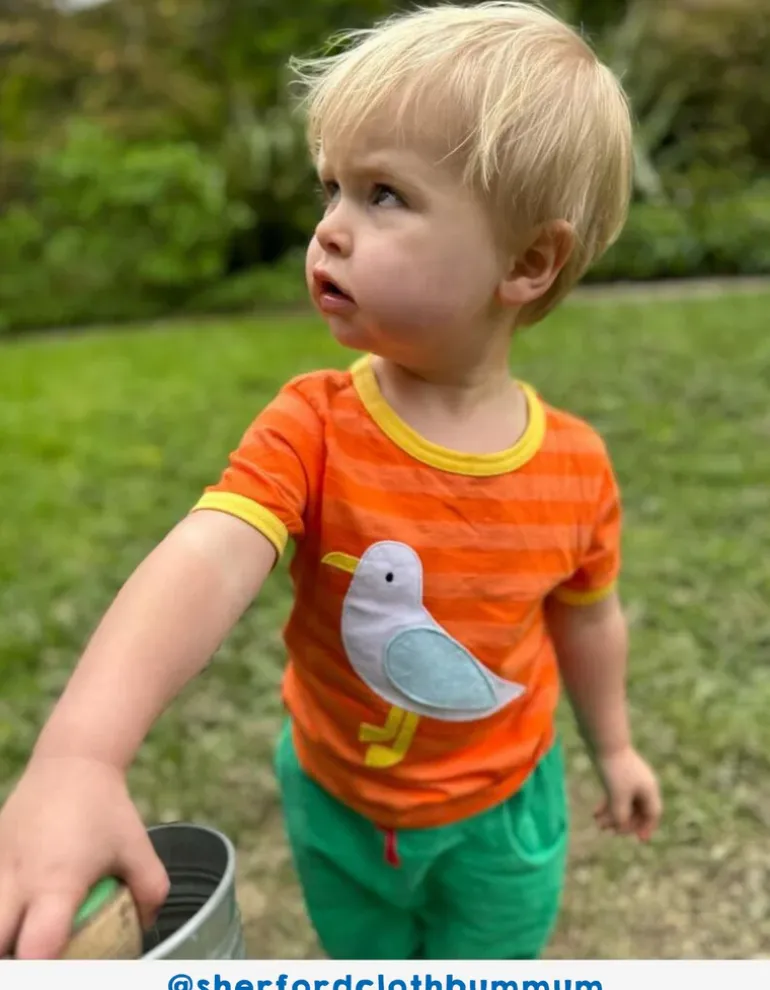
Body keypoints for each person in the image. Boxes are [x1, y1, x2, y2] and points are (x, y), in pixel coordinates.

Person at [0, 0, 662, 962]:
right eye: (332, 190)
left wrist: (616, 747)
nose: (330, 231)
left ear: (527, 261)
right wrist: (80, 753)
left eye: (384, 194)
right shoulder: (313, 426)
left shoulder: (575, 464)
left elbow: (588, 620)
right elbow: (210, 555)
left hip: (500, 819)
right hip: (337, 805)